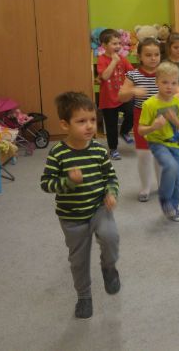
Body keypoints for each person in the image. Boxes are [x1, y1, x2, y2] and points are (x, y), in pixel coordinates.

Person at [40, 92, 120, 320]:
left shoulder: (99, 150)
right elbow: (46, 184)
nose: (90, 126)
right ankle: (84, 296)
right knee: (79, 260)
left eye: (93, 120)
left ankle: (108, 267)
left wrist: (111, 193)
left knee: (110, 237)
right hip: (71, 217)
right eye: (81, 121)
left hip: (99, 208)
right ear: (65, 125)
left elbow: (111, 177)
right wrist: (68, 181)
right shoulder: (58, 153)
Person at [138, 62, 179, 222]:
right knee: (171, 166)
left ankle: (172, 208)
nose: (169, 87)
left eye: (173, 83)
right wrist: (153, 126)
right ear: (157, 82)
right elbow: (141, 130)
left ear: (178, 85)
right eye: (165, 82)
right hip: (158, 143)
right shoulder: (149, 104)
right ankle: (164, 199)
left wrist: (176, 121)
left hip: (177, 145)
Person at [118, 37, 161, 202]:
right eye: (148, 55)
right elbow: (121, 96)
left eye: (156, 54)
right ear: (140, 57)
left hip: (162, 118)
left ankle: (162, 186)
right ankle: (145, 187)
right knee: (144, 155)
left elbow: (177, 89)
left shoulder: (164, 72)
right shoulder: (133, 75)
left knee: (161, 155)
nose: (153, 58)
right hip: (142, 118)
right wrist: (133, 91)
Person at [96, 28, 134, 160]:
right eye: (114, 43)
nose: (118, 46)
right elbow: (105, 76)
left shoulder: (123, 59)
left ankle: (124, 131)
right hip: (108, 100)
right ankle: (113, 149)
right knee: (111, 126)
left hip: (122, 96)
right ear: (104, 45)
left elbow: (131, 73)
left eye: (119, 43)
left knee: (132, 112)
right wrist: (113, 61)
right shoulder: (101, 59)